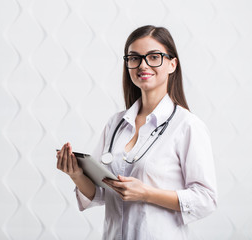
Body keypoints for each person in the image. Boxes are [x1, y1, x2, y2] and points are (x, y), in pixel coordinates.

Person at [56, 25, 217, 239]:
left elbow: (206, 199)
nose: (143, 65)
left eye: (153, 57)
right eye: (134, 58)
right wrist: (76, 174)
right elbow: (101, 192)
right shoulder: (116, 124)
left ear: (172, 64)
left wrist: (147, 194)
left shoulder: (187, 126)